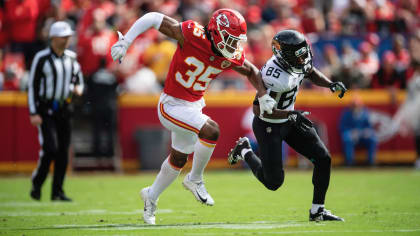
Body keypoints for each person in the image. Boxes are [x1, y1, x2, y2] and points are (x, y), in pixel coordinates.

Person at [110, 9, 276, 224]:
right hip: (171, 105)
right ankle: (195, 179)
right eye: (230, 39)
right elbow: (152, 18)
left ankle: (151, 196)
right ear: (216, 32)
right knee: (211, 130)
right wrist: (127, 40)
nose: (234, 46)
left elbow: (252, 70)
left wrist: (262, 96)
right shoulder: (192, 33)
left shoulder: (229, 54)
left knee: (178, 159)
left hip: (193, 106)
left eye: (237, 41)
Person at [228, 30, 346, 222]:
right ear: (284, 55)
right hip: (269, 125)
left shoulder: (297, 62)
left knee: (323, 158)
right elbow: (260, 111)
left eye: (303, 52)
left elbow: (309, 72)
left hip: (289, 118)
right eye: (297, 54)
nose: (302, 58)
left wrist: (329, 84)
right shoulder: (273, 76)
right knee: (273, 182)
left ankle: (318, 210)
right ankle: (244, 151)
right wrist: (290, 114)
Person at [28, 21, 84, 201]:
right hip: (46, 109)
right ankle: (37, 183)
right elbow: (33, 86)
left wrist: (78, 90)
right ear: (53, 38)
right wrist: (33, 111)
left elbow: (79, 81)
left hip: (65, 107)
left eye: (69, 36)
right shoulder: (42, 57)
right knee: (50, 148)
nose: (67, 39)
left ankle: (57, 191)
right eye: (64, 36)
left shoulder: (71, 58)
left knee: (63, 151)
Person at [339, 97, 377, 166]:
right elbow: (342, 127)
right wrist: (351, 132)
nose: (356, 108)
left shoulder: (365, 114)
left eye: (357, 106)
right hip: (352, 136)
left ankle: (371, 161)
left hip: (363, 136)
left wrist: (366, 131)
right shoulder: (346, 114)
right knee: (347, 138)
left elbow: (369, 127)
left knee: (373, 139)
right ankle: (350, 162)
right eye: (354, 106)